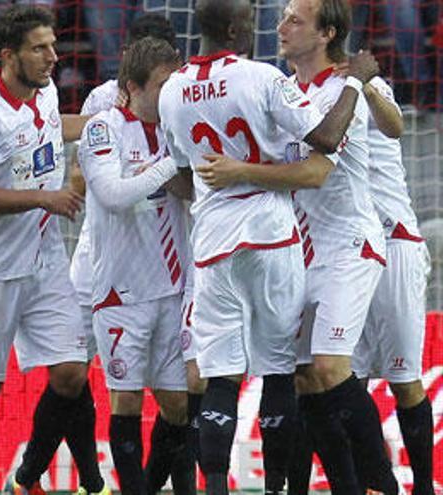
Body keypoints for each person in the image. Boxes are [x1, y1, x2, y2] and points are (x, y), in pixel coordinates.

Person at [157, 0, 379, 493]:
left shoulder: (172, 90)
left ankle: (216, 485)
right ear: (238, 28)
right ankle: (279, 485)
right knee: (280, 369)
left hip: (213, 240)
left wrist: (218, 189)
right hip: (272, 232)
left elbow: (179, 175)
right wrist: (352, 82)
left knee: (220, 377)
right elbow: (323, 136)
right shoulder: (260, 77)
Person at [0, 5, 105, 495]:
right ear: (9, 55)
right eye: (40, 48)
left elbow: (56, 125)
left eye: (53, 46)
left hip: (45, 260)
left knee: (73, 373)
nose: (53, 56)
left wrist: (109, 122)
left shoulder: (46, 92)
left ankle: (30, 478)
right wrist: (43, 197)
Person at [68, 13, 198, 495]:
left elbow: (191, 193)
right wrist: (171, 162)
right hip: (122, 292)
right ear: (133, 86)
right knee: (125, 403)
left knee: (179, 407)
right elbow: (113, 195)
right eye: (163, 84)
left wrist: (188, 167)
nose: (171, 94)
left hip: (175, 287)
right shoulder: (103, 129)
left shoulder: (174, 127)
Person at [349, 75, 434, 495]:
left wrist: (362, 85)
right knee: (344, 381)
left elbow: (394, 124)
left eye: (295, 18)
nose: (284, 28)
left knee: (403, 378)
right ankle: (377, 482)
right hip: (343, 253)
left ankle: (422, 486)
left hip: (393, 241)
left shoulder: (370, 82)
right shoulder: (293, 90)